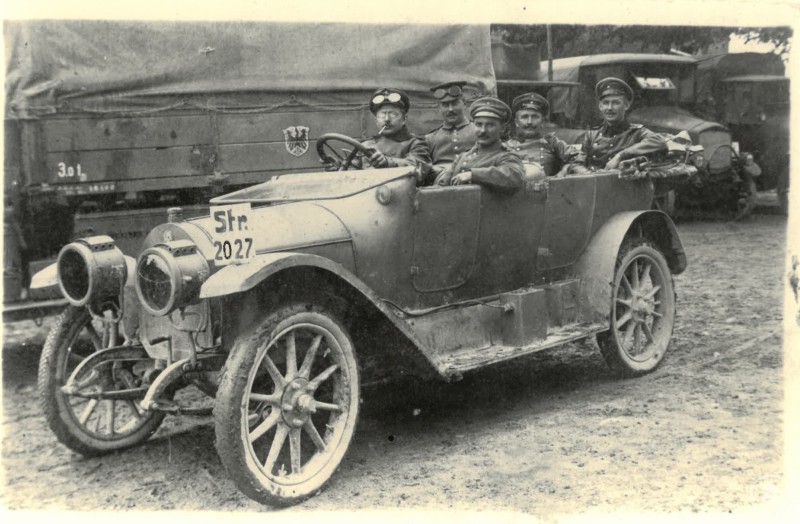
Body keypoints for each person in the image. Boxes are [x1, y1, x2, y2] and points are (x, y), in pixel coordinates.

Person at [435, 96, 525, 194]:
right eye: (478, 125)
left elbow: (515, 176)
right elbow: (441, 186)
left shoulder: (506, 156)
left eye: (490, 125)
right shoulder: (463, 156)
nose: (482, 131)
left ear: (502, 129)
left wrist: (473, 175)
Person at [578, 77, 667, 170]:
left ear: (626, 105)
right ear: (600, 106)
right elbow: (577, 163)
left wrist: (620, 156)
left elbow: (659, 142)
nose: (609, 108)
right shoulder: (591, 135)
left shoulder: (636, 133)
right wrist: (587, 174)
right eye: (605, 103)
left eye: (616, 103)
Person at [505, 92, 584, 177]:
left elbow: (577, 156)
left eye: (535, 117)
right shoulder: (506, 147)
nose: (529, 122)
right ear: (516, 122)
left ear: (542, 121)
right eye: (524, 117)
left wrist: (564, 170)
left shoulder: (551, 143)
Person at [358, 88, 430, 171]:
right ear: (376, 120)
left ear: (404, 119)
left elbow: (419, 166)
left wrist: (388, 162)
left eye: (393, 114)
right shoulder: (364, 146)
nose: (387, 119)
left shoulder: (415, 144)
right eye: (383, 114)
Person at [422, 81, 477, 183]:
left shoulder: (478, 131)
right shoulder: (430, 139)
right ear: (439, 107)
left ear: (464, 103)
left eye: (455, 103)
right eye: (445, 105)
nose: (450, 109)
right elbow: (423, 170)